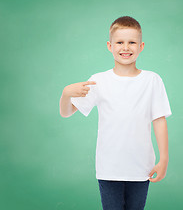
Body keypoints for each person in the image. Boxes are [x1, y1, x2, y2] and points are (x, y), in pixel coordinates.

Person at [59, 16, 172, 210]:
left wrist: (164, 158)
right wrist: (65, 94)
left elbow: (159, 120)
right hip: (108, 168)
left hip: (141, 167)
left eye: (132, 42)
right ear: (109, 46)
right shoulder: (98, 81)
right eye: (119, 42)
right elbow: (67, 112)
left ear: (141, 46)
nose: (125, 47)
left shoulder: (152, 80)